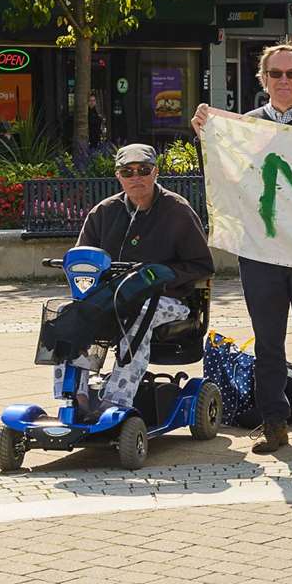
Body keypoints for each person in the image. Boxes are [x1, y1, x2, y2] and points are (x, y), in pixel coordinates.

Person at [192, 44, 292, 454]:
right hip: (261, 251)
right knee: (268, 341)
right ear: (262, 80)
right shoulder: (247, 126)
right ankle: (273, 422)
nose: (283, 81)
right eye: (275, 74)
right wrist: (207, 136)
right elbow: (226, 179)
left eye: (291, 74)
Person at [71, 143, 214, 415]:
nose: (136, 177)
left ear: (155, 172)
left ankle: (117, 400)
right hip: (112, 299)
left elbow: (203, 265)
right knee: (68, 315)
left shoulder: (177, 210)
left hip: (168, 299)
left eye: (143, 170)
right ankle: (75, 397)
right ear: (118, 176)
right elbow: (81, 260)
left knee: (137, 316)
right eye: (128, 171)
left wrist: (159, 275)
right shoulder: (104, 212)